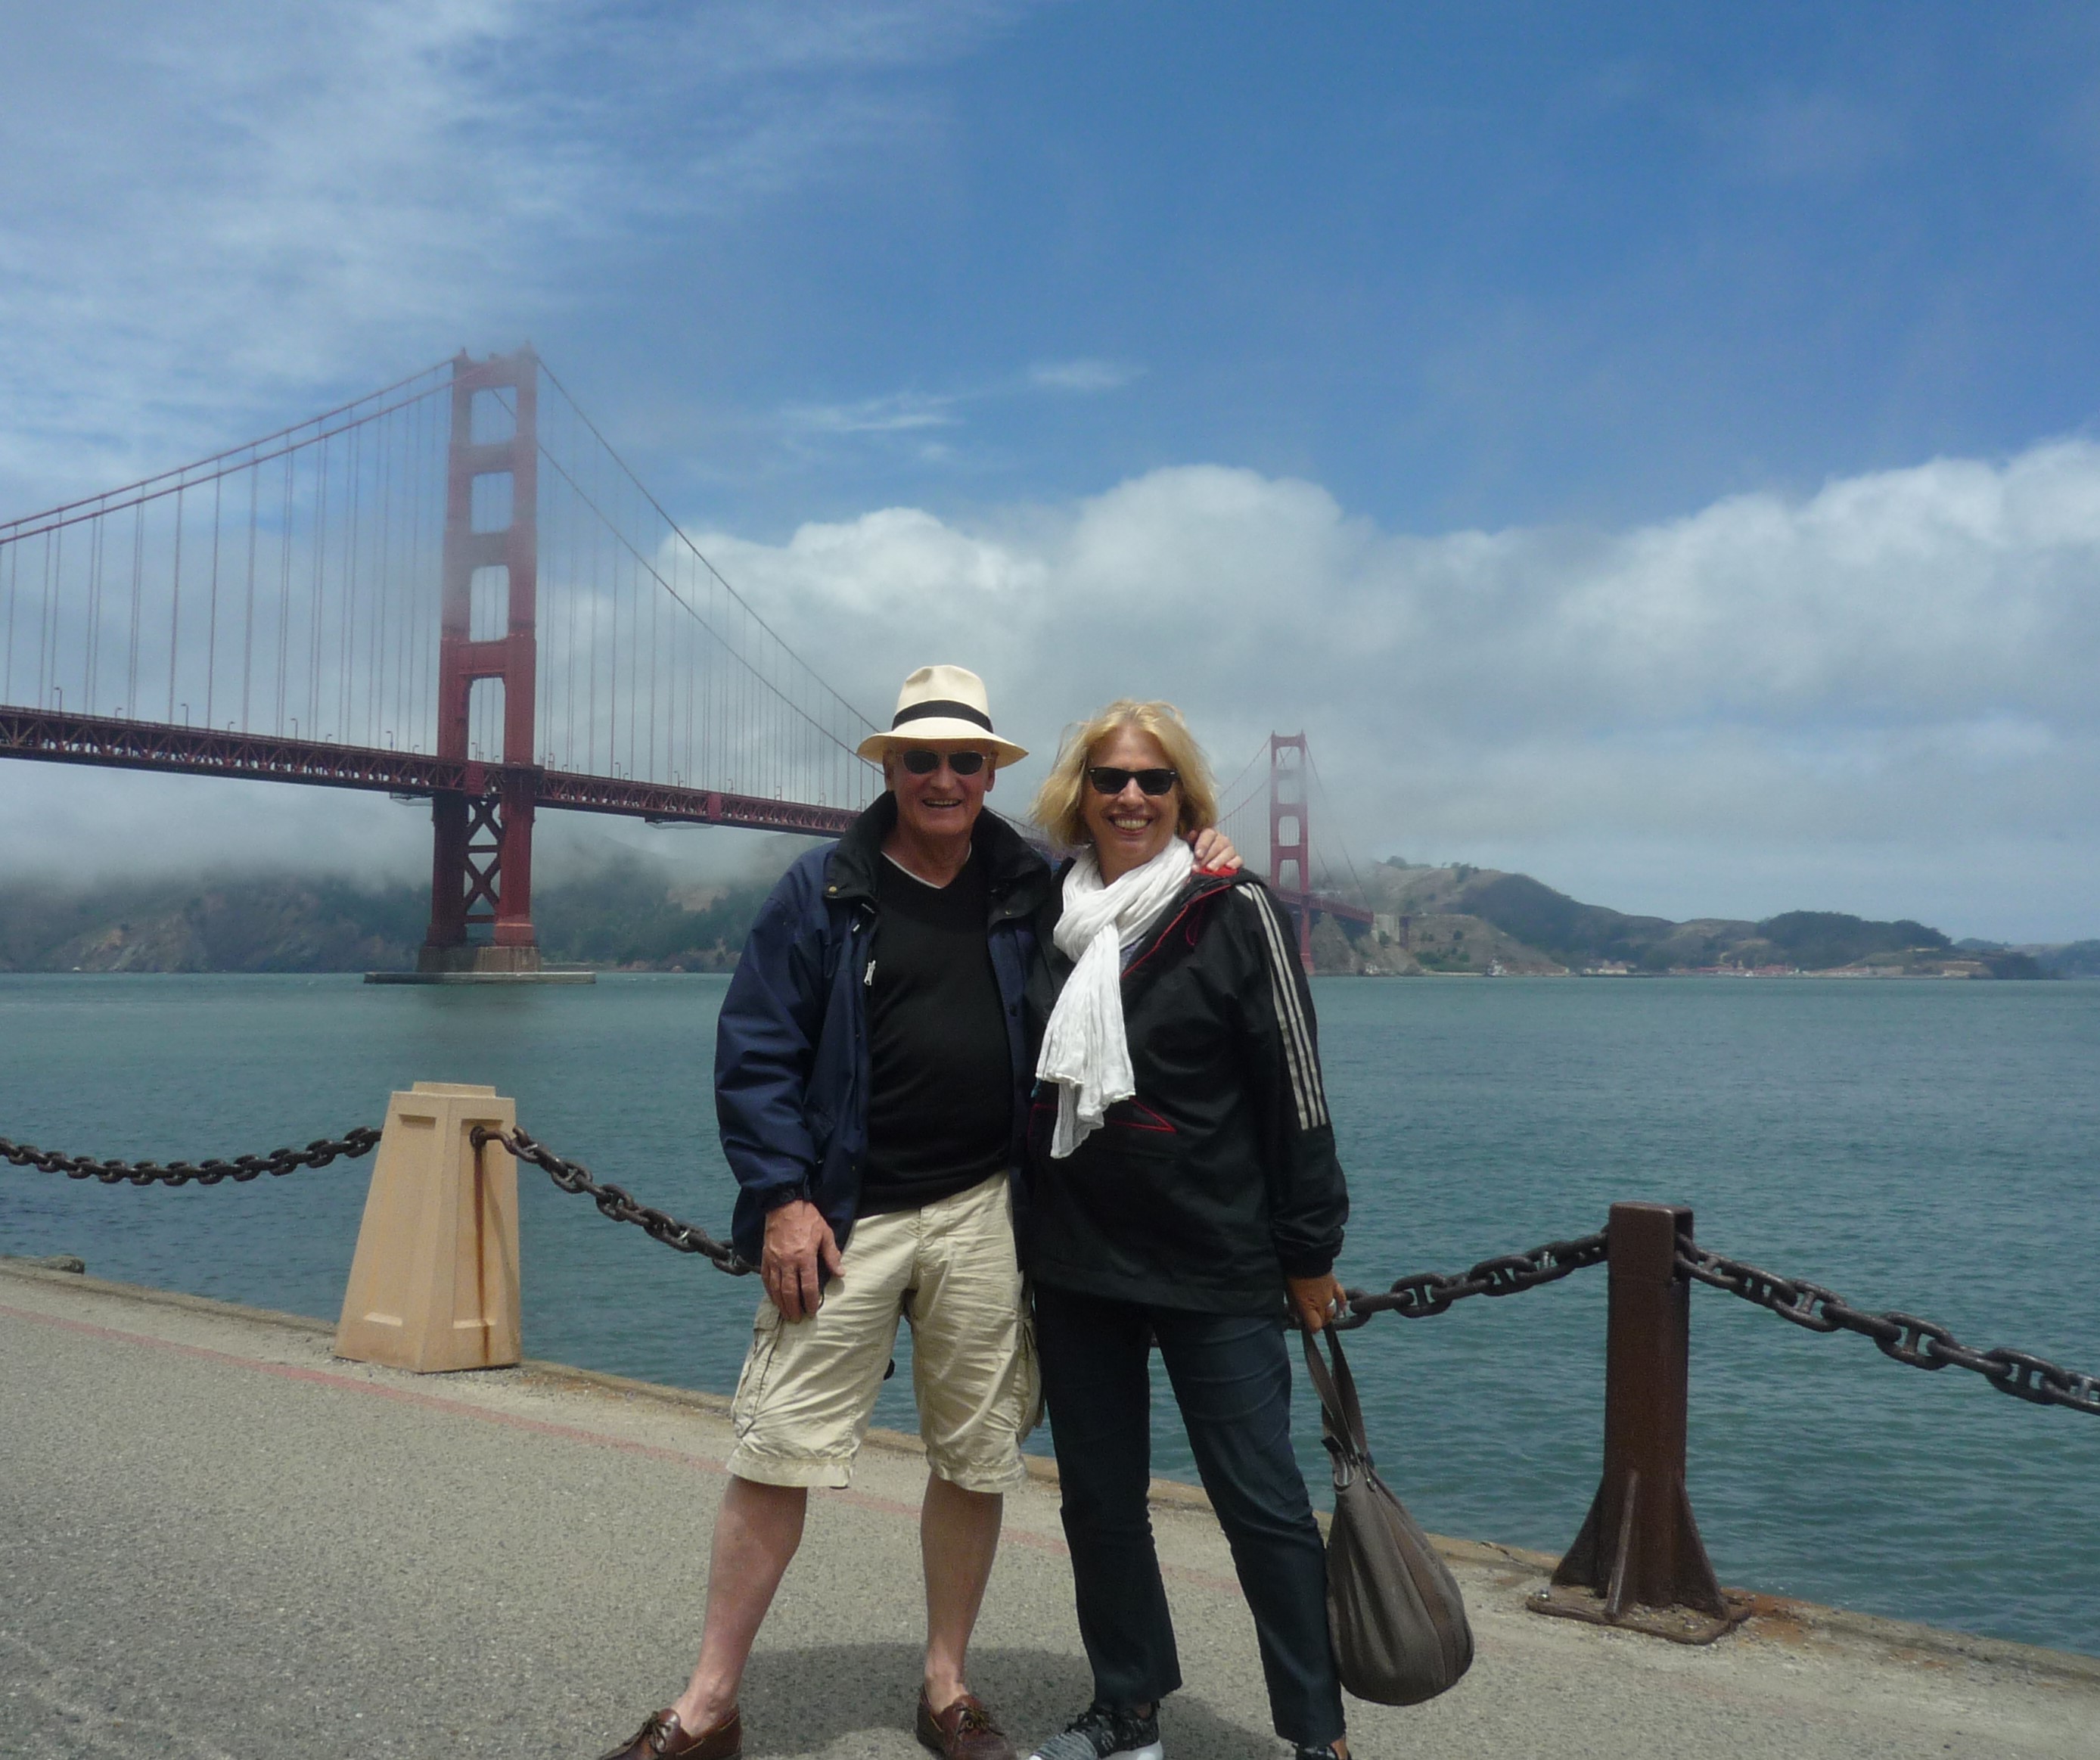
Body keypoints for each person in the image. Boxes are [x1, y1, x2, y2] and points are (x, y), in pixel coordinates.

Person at [599, 667, 1238, 1760]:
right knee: (777, 1446)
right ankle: (708, 1702)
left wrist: (1201, 851)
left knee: (976, 1454)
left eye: (964, 761)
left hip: (986, 1209)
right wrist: (783, 1198)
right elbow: (755, 1052)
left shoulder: (1033, 883)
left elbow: (1134, 894)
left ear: (991, 773)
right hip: (843, 1218)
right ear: (890, 768)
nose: (944, 778)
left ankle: (947, 1688)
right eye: (921, 759)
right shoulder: (823, 888)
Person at [1020, 701, 1352, 1760]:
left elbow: (1295, 1086)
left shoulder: (1234, 907)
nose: (1131, 796)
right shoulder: (1043, 910)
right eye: (1110, 778)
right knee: (1099, 1502)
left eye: (1154, 781)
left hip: (1215, 1255)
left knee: (1263, 1504)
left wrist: (1310, 1249)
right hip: (1080, 1257)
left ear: (1185, 798)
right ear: (1078, 794)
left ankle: (1317, 1734)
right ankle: (1127, 1711)